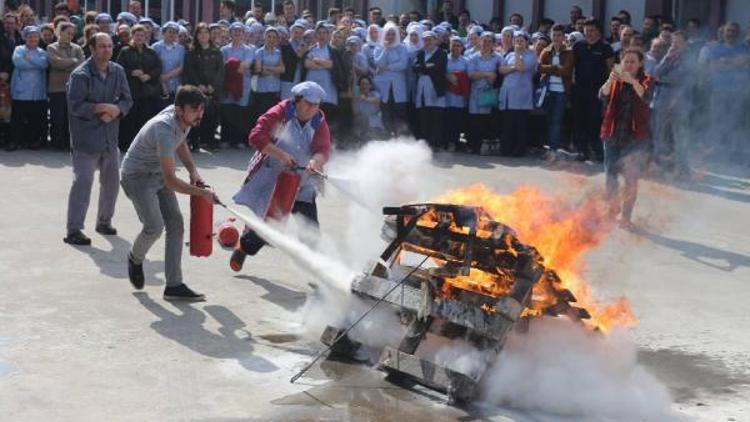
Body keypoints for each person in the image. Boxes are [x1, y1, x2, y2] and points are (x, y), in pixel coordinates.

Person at [120, 85, 216, 301]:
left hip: (158, 174)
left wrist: (193, 171)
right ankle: (135, 258)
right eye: (195, 109)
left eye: (201, 109)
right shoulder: (163, 128)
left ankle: (173, 286)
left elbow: (180, 143)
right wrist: (201, 194)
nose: (200, 114)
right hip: (137, 177)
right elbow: (171, 181)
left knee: (176, 224)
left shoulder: (185, 120)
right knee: (154, 226)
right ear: (179, 109)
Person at [230, 81, 331, 272]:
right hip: (276, 178)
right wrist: (282, 155)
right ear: (297, 101)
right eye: (308, 104)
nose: (312, 109)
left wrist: (315, 162)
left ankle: (317, 273)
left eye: (316, 105)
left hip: (304, 182)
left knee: (310, 231)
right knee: (272, 227)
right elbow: (256, 136)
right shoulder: (280, 112)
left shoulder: (319, 120)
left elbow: (323, 149)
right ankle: (244, 246)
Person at [64, 33, 133, 245]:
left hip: (110, 138)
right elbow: (75, 105)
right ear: (92, 49)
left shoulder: (117, 71)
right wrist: (100, 108)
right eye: (102, 46)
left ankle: (104, 221)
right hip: (86, 138)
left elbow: (127, 100)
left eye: (109, 46)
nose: (106, 50)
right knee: (82, 183)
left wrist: (116, 110)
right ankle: (74, 230)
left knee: (111, 183)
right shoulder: (81, 75)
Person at [599, 48, 653, 229]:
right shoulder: (615, 80)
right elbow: (602, 95)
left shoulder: (646, 80)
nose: (628, 65)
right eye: (626, 61)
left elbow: (646, 96)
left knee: (631, 178)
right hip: (613, 134)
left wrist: (632, 80)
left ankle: (626, 216)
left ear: (640, 64)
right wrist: (609, 80)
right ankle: (612, 209)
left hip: (635, 138)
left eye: (632, 62)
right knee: (610, 175)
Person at [572, 18, 614, 161]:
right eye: (586, 30)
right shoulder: (578, 46)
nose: (589, 33)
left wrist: (608, 89)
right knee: (579, 120)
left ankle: (596, 150)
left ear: (598, 31)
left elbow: (611, 70)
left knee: (595, 121)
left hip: (598, 91)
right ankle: (582, 151)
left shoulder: (605, 48)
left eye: (592, 30)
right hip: (580, 90)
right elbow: (572, 67)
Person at [116, 24, 162, 152]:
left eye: (142, 35)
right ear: (132, 36)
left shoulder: (151, 52)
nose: (140, 38)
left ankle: (142, 146)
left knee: (144, 119)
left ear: (146, 37)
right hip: (130, 91)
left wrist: (149, 75)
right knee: (129, 120)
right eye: (137, 35)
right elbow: (118, 68)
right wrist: (131, 72)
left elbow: (158, 68)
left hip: (147, 92)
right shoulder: (125, 51)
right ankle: (125, 145)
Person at [183, 22, 224, 151]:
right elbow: (189, 70)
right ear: (196, 35)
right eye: (200, 33)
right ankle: (194, 142)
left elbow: (221, 71)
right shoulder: (191, 51)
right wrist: (198, 85)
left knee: (211, 116)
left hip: (212, 90)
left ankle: (209, 141)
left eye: (206, 32)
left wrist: (213, 85)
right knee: (195, 116)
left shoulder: (216, 51)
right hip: (196, 89)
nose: (204, 35)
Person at [9, 26, 48, 151]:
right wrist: (35, 63)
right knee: (17, 119)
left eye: (35, 36)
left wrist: (29, 58)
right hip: (21, 89)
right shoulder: (18, 49)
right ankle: (14, 141)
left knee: (34, 119)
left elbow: (44, 65)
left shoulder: (43, 52)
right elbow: (18, 63)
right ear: (25, 37)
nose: (33, 39)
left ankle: (33, 141)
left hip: (37, 91)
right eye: (30, 36)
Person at [498, 31, 537, 157]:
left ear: (526, 43)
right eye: (517, 41)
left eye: (521, 41)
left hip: (521, 97)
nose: (519, 43)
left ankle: (519, 151)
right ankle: (506, 150)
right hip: (508, 96)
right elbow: (501, 70)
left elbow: (521, 68)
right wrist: (513, 67)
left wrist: (518, 55)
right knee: (507, 125)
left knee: (520, 125)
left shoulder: (531, 56)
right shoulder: (509, 55)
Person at [47, 21, 84, 151]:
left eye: (72, 34)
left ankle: (69, 142)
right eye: (68, 33)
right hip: (57, 88)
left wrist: (66, 63)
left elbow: (81, 65)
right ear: (60, 32)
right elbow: (56, 63)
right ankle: (56, 142)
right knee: (57, 117)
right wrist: (72, 61)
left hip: (74, 89)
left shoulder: (77, 48)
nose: (71, 36)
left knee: (71, 117)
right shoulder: (52, 47)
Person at [539, 24, 574, 156]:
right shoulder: (546, 51)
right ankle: (550, 147)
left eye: (559, 35)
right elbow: (540, 68)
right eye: (554, 35)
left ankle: (553, 150)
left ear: (563, 37)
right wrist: (555, 68)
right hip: (547, 91)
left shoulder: (569, 52)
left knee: (557, 121)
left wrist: (551, 69)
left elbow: (566, 70)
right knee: (548, 120)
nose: (556, 38)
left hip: (561, 91)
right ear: (551, 36)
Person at [220, 22, 255, 148]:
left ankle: (240, 140)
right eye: (234, 31)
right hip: (227, 84)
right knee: (227, 112)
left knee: (241, 113)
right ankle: (226, 139)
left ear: (243, 34)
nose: (237, 33)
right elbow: (223, 67)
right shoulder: (224, 50)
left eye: (239, 31)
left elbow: (246, 65)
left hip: (243, 86)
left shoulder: (249, 50)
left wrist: (232, 65)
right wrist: (236, 65)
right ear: (230, 33)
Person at [466, 32, 500, 154]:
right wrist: (487, 74)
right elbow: (470, 75)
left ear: (493, 44)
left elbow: (498, 75)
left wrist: (482, 74)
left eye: (489, 41)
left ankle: (484, 148)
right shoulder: (473, 57)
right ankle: (473, 147)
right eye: (484, 41)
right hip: (475, 93)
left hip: (489, 92)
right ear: (480, 42)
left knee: (486, 121)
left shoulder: (498, 58)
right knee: (474, 120)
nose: (486, 44)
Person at [373, 22, 409, 136]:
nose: (391, 37)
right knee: (385, 112)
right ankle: (388, 136)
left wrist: (387, 67)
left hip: (398, 86)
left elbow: (403, 64)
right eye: (388, 34)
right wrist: (386, 49)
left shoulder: (402, 48)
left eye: (393, 34)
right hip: (384, 86)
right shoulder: (379, 47)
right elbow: (378, 62)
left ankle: (400, 137)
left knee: (399, 112)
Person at [412, 31, 447, 149]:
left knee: (436, 117)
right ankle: (425, 143)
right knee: (424, 116)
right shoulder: (420, 54)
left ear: (435, 40)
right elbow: (415, 68)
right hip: (422, 89)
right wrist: (427, 66)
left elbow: (439, 67)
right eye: (426, 40)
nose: (428, 42)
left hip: (436, 88)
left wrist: (424, 67)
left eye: (430, 39)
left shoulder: (441, 53)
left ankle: (436, 143)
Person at [253, 27, 285, 119]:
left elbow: (282, 69)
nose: (271, 39)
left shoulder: (278, 52)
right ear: (265, 37)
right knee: (262, 116)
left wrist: (268, 68)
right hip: (262, 89)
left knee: (273, 117)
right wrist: (275, 69)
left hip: (274, 89)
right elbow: (259, 70)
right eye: (269, 37)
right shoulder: (259, 52)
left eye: (274, 37)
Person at [152, 21, 185, 105]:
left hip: (176, 86)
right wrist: (162, 81)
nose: (172, 34)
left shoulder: (181, 49)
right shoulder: (155, 47)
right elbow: (152, 65)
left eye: (175, 32)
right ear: (163, 32)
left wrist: (166, 76)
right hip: (160, 86)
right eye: (170, 31)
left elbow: (181, 67)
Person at [445, 36, 468, 151]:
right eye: (453, 45)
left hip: (460, 98)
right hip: (447, 97)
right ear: (449, 46)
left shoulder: (466, 61)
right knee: (447, 122)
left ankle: (460, 144)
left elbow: (469, 78)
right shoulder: (444, 59)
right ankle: (447, 142)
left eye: (458, 46)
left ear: (462, 48)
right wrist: (447, 76)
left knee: (460, 123)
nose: (455, 48)